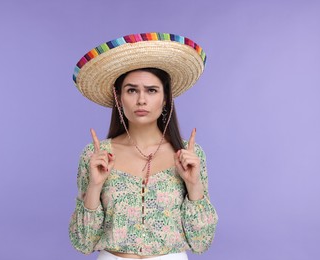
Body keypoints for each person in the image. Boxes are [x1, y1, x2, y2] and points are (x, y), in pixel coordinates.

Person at [69, 32, 218, 260]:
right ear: (119, 98)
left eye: (151, 90)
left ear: (166, 98)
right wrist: (95, 187)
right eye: (131, 90)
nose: (141, 100)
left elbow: (201, 242)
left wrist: (193, 185)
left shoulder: (189, 155)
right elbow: (83, 243)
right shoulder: (96, 155)